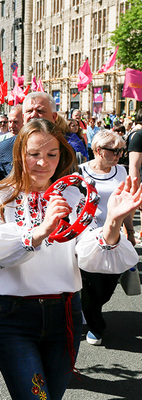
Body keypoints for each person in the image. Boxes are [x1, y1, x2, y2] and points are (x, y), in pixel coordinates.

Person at [0, 118, 140, 400]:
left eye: (52, 155)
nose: (43, 163)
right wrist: (41, 229)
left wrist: (112, 222)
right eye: (34, 154)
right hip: (12, 316)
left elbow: (90, 255)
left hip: (64, 314)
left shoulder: (73, 195)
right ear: (19, 154)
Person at [79, 130, 134, 346]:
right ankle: (96, 326)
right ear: (99, 151)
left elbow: (127, 205)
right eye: (116, 151)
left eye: (122, 150)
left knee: (109, 283)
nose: (120, 155)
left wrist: (129, 230)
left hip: (115, 237)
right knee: (91, 282)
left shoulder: (122, 171)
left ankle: (90, 309)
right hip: (86, 236)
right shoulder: (80, 171)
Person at [0, 92, 58, 200]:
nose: (33, 115)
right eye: (29, 111)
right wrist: (12, 208)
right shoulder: (4, 148)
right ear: (24, 117)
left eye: (40, 111)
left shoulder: (65, 148)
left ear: (54, 117)